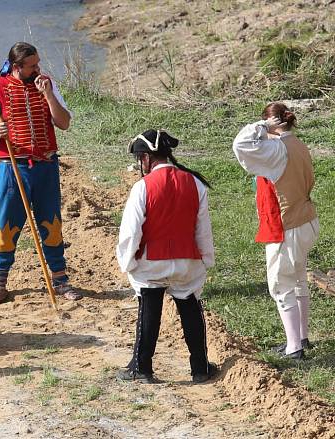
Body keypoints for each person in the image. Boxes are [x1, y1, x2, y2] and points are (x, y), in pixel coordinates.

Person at [0, 41, 79, 305]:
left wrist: (49, 96)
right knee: (7, 226)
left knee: (51, 224)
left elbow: (64, 123)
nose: (38, 69)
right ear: (17, 66)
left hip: (45, 165)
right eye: (32, 66)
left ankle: (60, 280)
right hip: (12, 167)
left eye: (38, 63)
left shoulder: (47, 85)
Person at [116, 129, 218, 384]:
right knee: (191, 309)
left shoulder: (143, 187)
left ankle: (142, 367)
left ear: (147, 159)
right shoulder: (194, 183)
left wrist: (127, 263)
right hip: (188, 262)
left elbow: (131, 233)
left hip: (151, 263)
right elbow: (202, 228)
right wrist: (205, 260)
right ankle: (200, 368)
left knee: (149, 308)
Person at [233, 103, 319, 360]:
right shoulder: (299, 144)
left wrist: (263, 127)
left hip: (288, 226)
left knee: (281, 286)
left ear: (273, 124)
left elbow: (241, 144)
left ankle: (294, 347)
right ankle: (302, 336)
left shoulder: (277, 149)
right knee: (299, 279)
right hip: (307, 221)